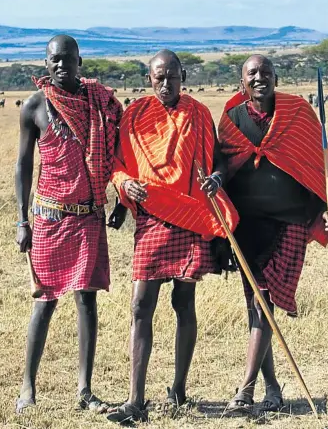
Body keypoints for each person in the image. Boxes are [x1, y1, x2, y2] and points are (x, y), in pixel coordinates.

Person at [106, 50, 239, 424]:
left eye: (172, 77)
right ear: (149, 79)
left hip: (190, 218)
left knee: (184, 303)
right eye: (158, 78)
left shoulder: (198, 113)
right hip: (152, 219)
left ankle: (179, 389)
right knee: (140, 306)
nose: (165, 85)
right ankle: (136, 401)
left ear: (183, 75)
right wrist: (125, 183)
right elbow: (117, 164)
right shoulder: (134, 115)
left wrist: (216, 179)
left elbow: (217, 162)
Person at [217, 54, 328, 413]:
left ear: (276, 77)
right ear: (242, 81)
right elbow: (225, 164)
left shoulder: (298, 114)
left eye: (265, 72)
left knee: (263, 302)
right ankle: (272, 388)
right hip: (245, 226)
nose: (259, 78)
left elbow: (316, 167)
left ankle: (246, 389)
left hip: (288, 222)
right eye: (252, 73)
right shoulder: (232, 120)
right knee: (256, 307)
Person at [14, 34, 123, 413]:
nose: (61, 66)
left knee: (87, 300)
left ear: (80, 60)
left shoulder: (101, 103)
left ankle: (85, 390)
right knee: (44, 303)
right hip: (47, 218)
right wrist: (20, 220)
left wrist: (121, 199)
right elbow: (23, 166)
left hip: (88, 216)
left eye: (68, 59)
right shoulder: (35, 107)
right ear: (46, 64)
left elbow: (122, 152)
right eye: (54, 60)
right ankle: (27, 388)